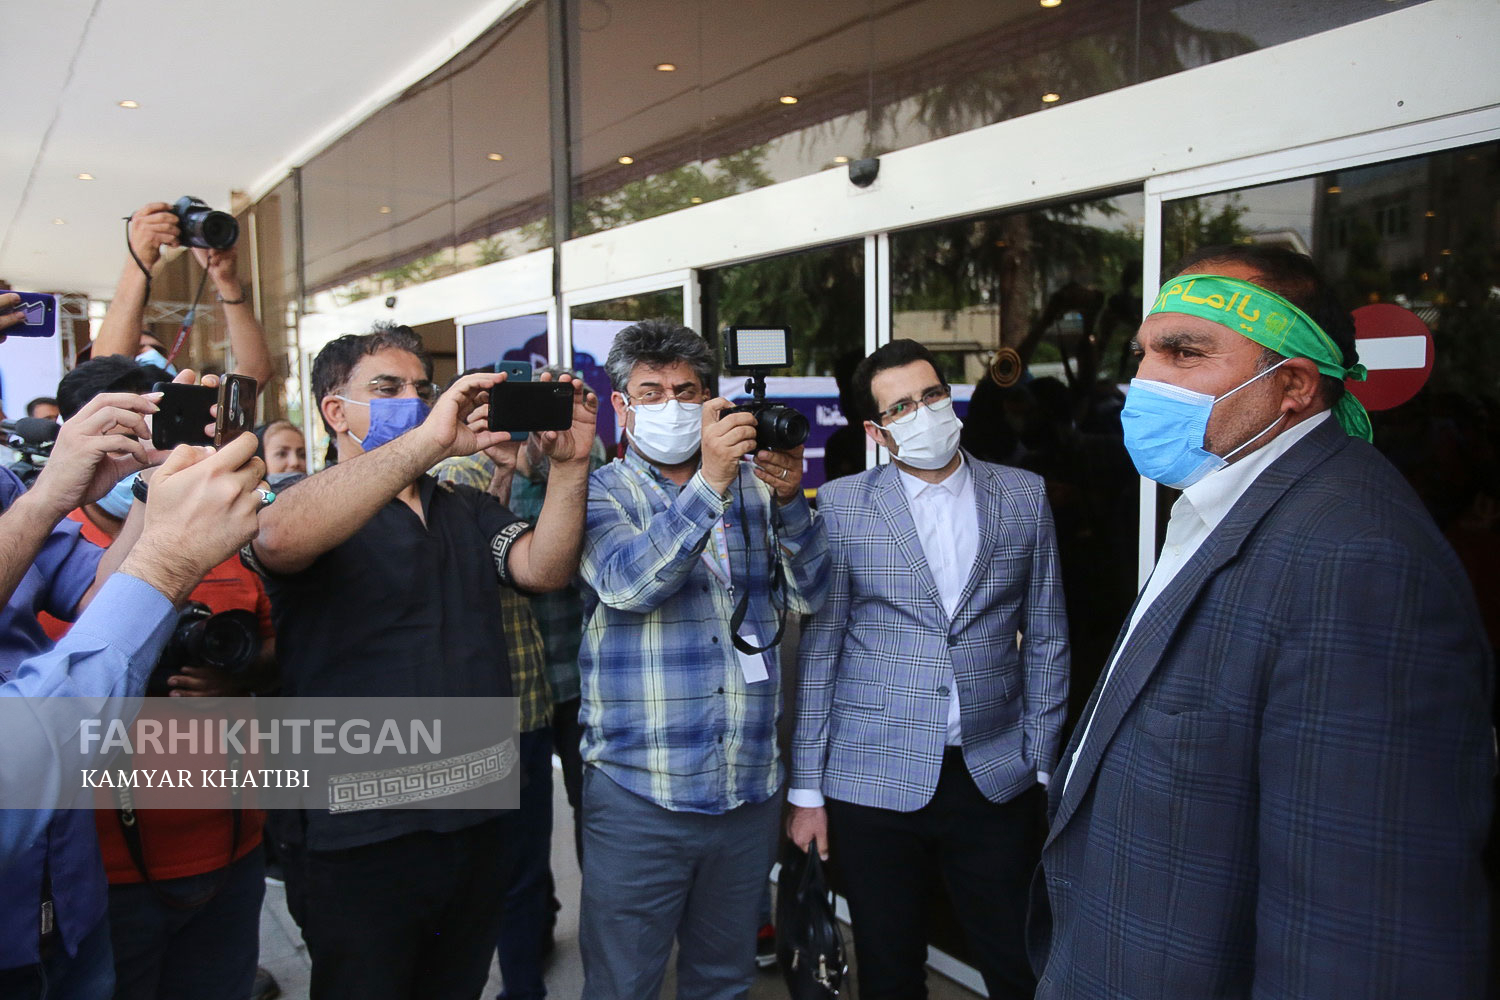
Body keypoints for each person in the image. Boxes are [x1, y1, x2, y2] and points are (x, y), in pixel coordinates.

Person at [1030, 245, 1493, 997]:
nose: (1145, 381)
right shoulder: (1230, 499)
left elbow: (1361, 941)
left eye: (1185, 353)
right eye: (1144, 353)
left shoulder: (1359, 561)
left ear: (1294, 385)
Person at [243, 323, 596, 1000]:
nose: (413, 401)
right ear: (335, 410)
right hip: (359, 832)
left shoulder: (462, 506)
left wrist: (571, 467)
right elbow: (279, 537)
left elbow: (543, 568)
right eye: (388, 388)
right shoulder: (298, 500)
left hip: (474, 818)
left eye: (422, 389)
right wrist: (430, 441)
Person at [788, 339, 1069, 1000]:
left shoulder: (1022, 495)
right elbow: (823, 649)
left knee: (1018, 966)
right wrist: (806, 789)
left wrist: (1040, 761)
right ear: (876, 431)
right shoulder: (844, 504)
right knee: (889, 971)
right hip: (871, 778)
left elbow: (1049, 636)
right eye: (902, 406)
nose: (923, 412)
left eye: (932, 395)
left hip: (993, 775)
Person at [576, 319, 830, 999]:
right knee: (622, 985)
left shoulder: (754, 486)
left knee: (724, 980)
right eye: (650, 392)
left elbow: (811, 594)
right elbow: (628, 585)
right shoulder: (599, 492)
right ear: (622, 406)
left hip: (745, 788)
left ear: (710, 400)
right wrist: (711, 483)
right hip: (641, 792)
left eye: (686, 392)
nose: (671, 405)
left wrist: (789, 502)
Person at [0, 382, 268, 999]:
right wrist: (48, 499)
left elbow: (100, 596)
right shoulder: (30, 495)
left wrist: (151, 488)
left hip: (67, 894)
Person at [92, 203, 274, 390]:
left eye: (158, 350)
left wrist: (226, 282)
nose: (150, 353)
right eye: (137, 351)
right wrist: (139, 260)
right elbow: (104, 375)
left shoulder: (195, 404)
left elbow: (254, 374)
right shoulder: (103, 401)